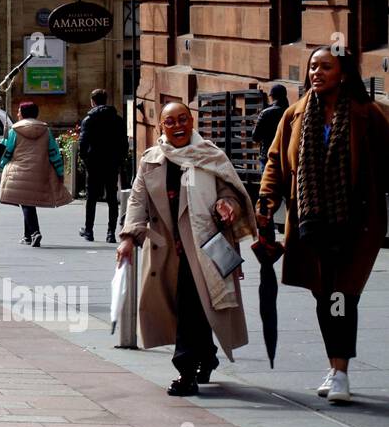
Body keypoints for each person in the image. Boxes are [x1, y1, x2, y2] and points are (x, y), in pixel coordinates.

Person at [256, 47, 389, 404]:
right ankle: (335, 365)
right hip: (310, 222)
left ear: (343, 73)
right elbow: (275, 162)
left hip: (356, 222)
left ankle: (341, 370)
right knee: (323, 294)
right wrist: (266, 202)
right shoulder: (294, 115)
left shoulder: (369, 115)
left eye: (325, 67)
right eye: (313, 67)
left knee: (342, 295)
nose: (316, 73)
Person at [116, 101, 254, 396]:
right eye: (171, 122)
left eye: (183, 120)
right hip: (167, 249)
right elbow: (138, 200)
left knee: (195, 306)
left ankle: (186, 373)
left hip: (205, 247)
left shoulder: (210, 155)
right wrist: (128, 237)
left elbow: (230, 189)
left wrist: (226, 203)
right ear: (160, 127)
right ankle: (206, 355)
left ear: (191, 122)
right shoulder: (151, 159)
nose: (178, 126)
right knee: (185, 309)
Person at [0, 101, 72, 247]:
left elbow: (7, 151)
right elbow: (54, 153)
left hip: (18, 171)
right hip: (40, 171)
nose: (17, 113)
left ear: (23, 113)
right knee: (28, 202)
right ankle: (27, 236)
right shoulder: (45, 130)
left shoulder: (14, 131)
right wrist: (59, 171)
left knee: (26, 203)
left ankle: (35, 232)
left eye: (19, 111)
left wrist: (0, 167)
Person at [78, 88, 127, 243]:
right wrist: (119, 160)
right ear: (106, 100)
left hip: (94, 163)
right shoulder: (118, 120)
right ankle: (110, 233)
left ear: (92, 101)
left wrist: (86, 160)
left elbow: (83, 144)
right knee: (112, 198)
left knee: (91, 198)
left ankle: (89, 230)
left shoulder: (89, 120)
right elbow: (123, 143)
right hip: (111, 162)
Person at [251, 83, 289, 165]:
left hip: (268, 156)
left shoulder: (265, 113)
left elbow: (255, 137)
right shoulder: (291, 111)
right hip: (286, 157)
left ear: (272, 96)